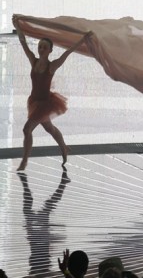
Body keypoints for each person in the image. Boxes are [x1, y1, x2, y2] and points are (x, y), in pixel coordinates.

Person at [13, 15, 92, 170]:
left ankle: (24, 161)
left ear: (50, 50)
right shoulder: (33, 61)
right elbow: (23, 43)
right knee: (49, 128)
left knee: (26, 129)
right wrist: (17, 26)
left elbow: (68, 52)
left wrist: (82, 40)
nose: (41, 49)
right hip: (34, 102)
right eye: (40, 47)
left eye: (44, 47)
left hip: (44, 104)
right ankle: (64, 147)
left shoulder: (52, 66)